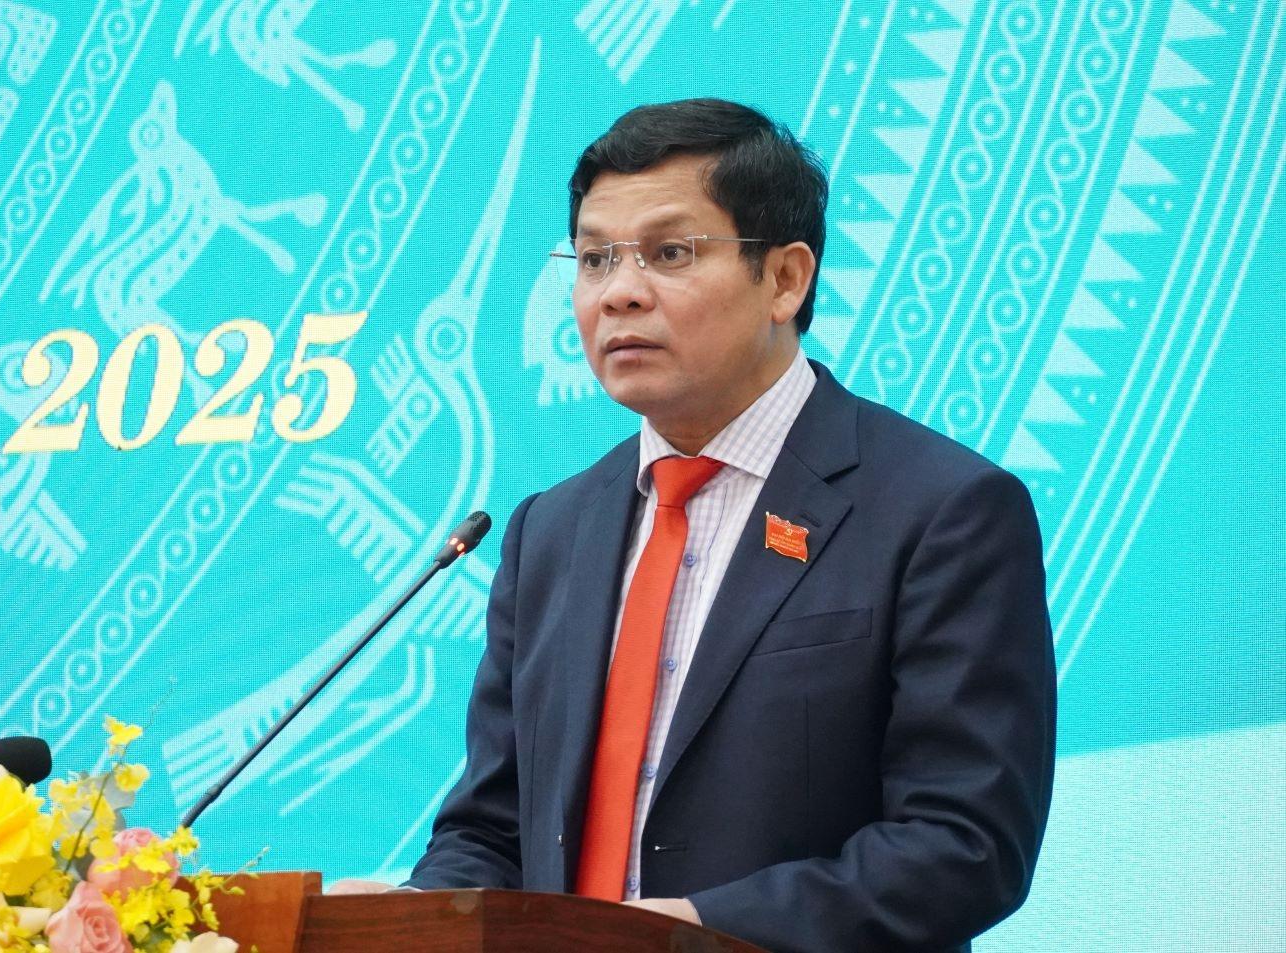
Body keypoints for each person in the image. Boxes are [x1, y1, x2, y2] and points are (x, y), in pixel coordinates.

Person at [333, 98, 1056, 953]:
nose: (620, 293)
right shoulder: (550, 532)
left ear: (784, 279)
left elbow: (964, 844)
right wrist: (414, 910)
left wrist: (691, 931)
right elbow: (494, 829)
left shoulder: (941, 511)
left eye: (670, 253)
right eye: (594, 259)